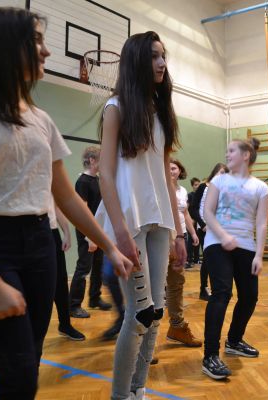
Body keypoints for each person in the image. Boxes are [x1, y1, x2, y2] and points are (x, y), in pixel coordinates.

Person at [0, 8, 132, 398]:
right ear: (2, 44)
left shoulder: (40, 118)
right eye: (36, 40)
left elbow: (65, 195)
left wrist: (109, 246)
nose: (47, 51)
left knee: (28, 367)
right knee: (17, 376)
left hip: (39, 246)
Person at [96, 31, 187, 399]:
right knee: (139, 315)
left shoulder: (160, 111)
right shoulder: (115, 107)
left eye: (163, 56)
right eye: (153, 56)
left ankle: (139, 391)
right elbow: (105, 175)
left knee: (157, 313)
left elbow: (165, 175)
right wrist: (119, 233)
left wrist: (180, 233)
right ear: (136, 61)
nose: (162, 63)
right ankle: (121, 395)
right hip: (128, 220)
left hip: (160, 220)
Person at [201, 138, 268, 380]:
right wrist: (223, 236)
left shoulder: (261, 187)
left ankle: (234, 340)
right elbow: (207, 212)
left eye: (231, 151)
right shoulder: (219, 181)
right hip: (216, 242)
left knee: (250, 296)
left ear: (246, 155)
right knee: (222, 292)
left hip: (246, 245)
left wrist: (259, 254)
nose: (227, 154)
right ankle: (210, 355)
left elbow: (262, 223)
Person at [69, 146, 112, 318]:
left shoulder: (98, 180)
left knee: (98, 265)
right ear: (92, 160)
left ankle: (94, 298)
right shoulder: (83, 182)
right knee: (83, 267)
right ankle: (74, 305)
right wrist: (90, 237)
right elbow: (83, 211)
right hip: (87, 232)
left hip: (98, 230)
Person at [165, 158, 202, 346]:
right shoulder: (160, 188)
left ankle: (177, 326)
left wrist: (193, 233)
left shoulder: (181, 191)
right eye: (168, 167)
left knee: (177, 282)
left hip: (180, 238)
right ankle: (146, 336)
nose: (171, 170)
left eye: (174, 168)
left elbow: (185, 213)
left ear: (180, 171)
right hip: (163, 238)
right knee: (156, 287)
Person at [192, 163, 229, 301]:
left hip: (218, 229)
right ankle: (203, 288)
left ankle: (217, 288)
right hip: (205, 229)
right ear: (214, 172)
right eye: (220, 173)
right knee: (208, 260)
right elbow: (193, 208)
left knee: (218, 259)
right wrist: (203, 225)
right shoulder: (203, 187)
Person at [51, 204, 85, 340]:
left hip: (50, 232)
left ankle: (65, 325)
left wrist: (66, 232)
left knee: (60, 281)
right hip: (19, 231)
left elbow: (55, 205)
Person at [186, 177, 201, 267]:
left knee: (198, 240)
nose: (197, 186)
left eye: (198, 184)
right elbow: (186, 209)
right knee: (191, 240)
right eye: (195, 185)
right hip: (191, 221)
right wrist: (190, 220)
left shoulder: (201, 196)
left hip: (199, 222)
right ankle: (189, 259)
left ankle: (196, 259)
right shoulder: (190, 195)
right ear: (192, 186)